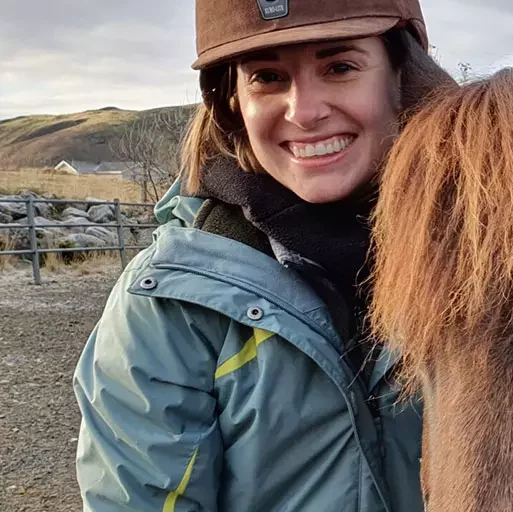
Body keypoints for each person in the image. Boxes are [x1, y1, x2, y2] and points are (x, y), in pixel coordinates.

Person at [72, 0, 454, 510]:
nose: (305, 111)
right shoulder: (169, 302)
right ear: (232, 103)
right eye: (268, 78)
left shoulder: (496, 268)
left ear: (405, 77)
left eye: (339, 68)